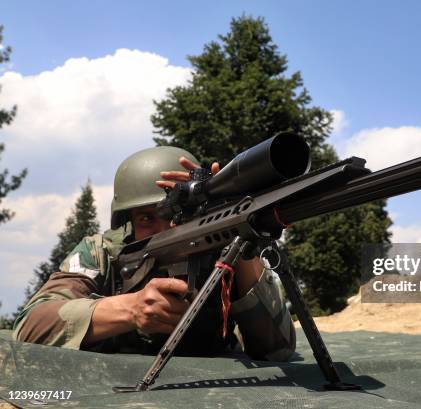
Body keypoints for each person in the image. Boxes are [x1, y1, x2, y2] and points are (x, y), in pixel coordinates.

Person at [12, 146, 296, 361]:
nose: (164, 229)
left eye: (176, 215)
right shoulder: (103, 252)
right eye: (146, 219)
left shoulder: (226, 249)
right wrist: (130, 309)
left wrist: (240, 238)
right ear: (127, 221)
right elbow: (30, 326)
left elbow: (278, 351)